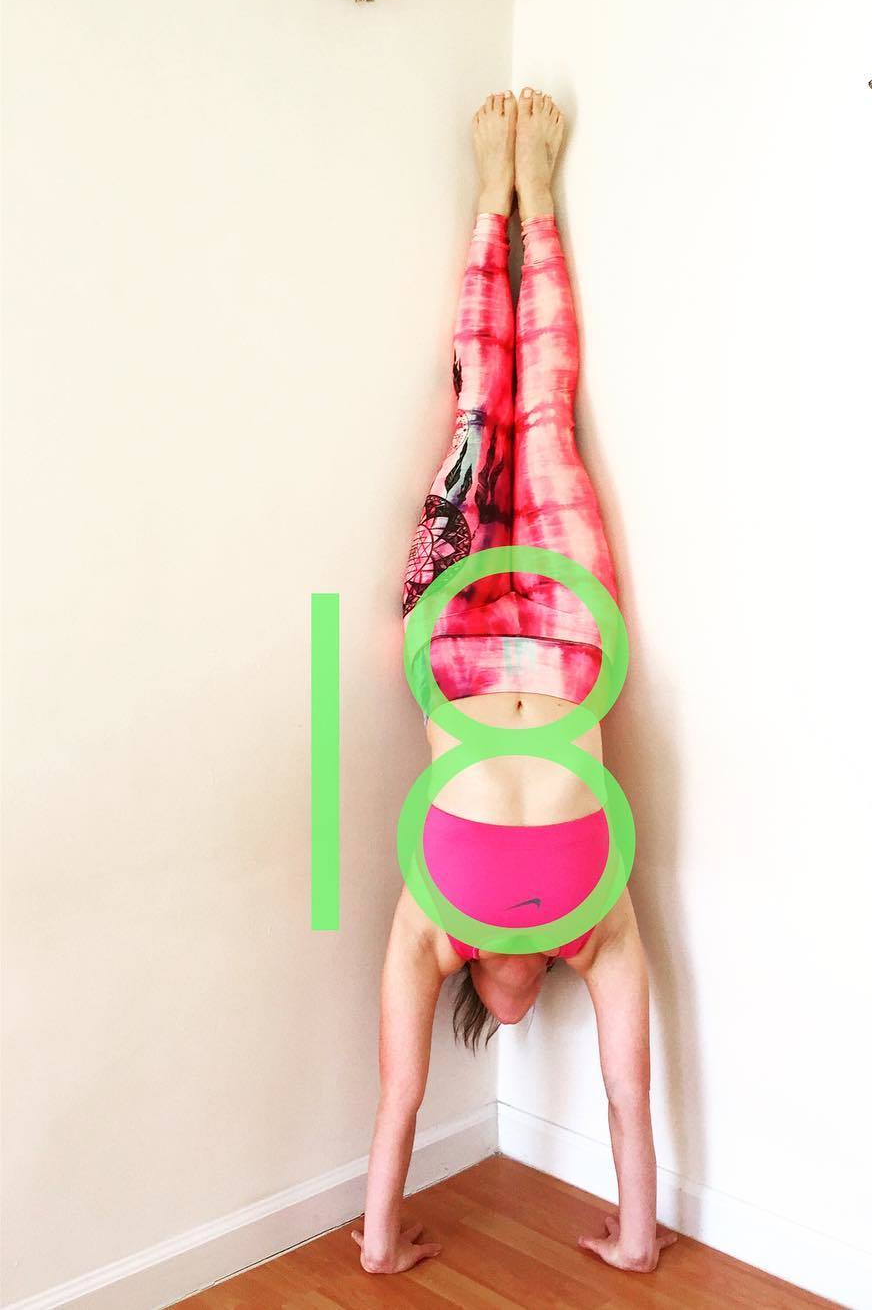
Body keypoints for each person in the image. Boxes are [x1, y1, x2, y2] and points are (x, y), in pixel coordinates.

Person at [352, 89, 677, 1278]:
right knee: (545, 417)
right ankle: (536, 194)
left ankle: (492, 192)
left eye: (500, 1008)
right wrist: (634, 1237)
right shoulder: (601, 928)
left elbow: (397, 1103)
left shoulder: (429, 925)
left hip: (451, 647)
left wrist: (378, 1244)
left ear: (479, 986)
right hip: (573, 639)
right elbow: (629, 1096)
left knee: (477, 408)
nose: (519, 1006)